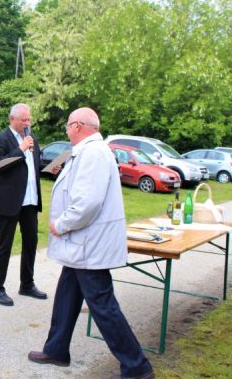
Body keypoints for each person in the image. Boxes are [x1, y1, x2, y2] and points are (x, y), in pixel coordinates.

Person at [28, 107, 154, 379]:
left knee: (104, 306)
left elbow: (87, 202)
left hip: (87, 244)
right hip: (81, 246)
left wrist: (62, 224)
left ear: (77, 126)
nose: (66, 129)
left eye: (68, 125)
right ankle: (56, 350)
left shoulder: (93, 153)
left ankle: (137, 367)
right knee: (67, 296)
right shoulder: (85, 151)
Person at [0, 103, 48, 306]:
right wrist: (20, 149)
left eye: (29, 119)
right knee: (4, 244)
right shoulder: (0, 139)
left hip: (30, 200)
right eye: (24, 120)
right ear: (12, 119)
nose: (27, 123)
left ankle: (27, 284)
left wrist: (50, 168)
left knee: (31, 242)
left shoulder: (32, 139)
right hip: (9, 201)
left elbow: (35, 166)